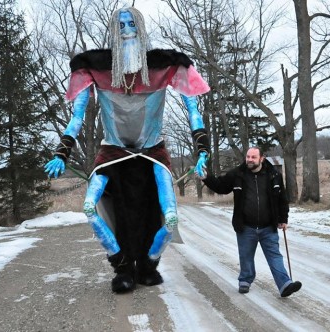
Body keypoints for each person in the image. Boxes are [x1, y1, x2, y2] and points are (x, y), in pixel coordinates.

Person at [44, 7, 210, 293]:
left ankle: (148, 264)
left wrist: (202, 150)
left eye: (131, 22)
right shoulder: (95, 68)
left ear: (141, 27)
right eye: (120, 24)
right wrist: (62, 152)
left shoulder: (165, 66)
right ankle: (121, 265)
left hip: (153, 151)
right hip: (113, 152)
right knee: (89, 207)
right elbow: (77, 116)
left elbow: (193, 108)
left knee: (169, 217)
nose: (126, 29)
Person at [197, 147, 302, 298]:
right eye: (248, 157)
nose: (250, 160)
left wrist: (283, 219)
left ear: (262, 158)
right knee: (246, 256)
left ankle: (285, 284)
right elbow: (221, 186)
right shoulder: (238, 174)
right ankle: (245, 280)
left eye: (253, 157)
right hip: (246, 226)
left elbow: (282, 199)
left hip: (268, 226)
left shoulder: (274, 175)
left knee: (275, 256)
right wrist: (206, 178)